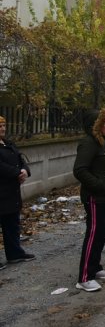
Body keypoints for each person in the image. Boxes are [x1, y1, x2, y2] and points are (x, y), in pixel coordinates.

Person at [73, 108, 105, 292]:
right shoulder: (88, 143)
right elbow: (80, 170)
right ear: (98, 125)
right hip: (95, 197)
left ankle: (95, 267)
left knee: (101, 233)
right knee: (94, 234)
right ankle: (85, 277)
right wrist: (101, 185)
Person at [0, 115, 35, 270]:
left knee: (12, 223)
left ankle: (15, 253)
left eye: (3, 125)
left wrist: (24, 171)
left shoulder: (9, 143)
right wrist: (16, 173)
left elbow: (21, 159)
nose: (2, 128)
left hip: (11, 192)